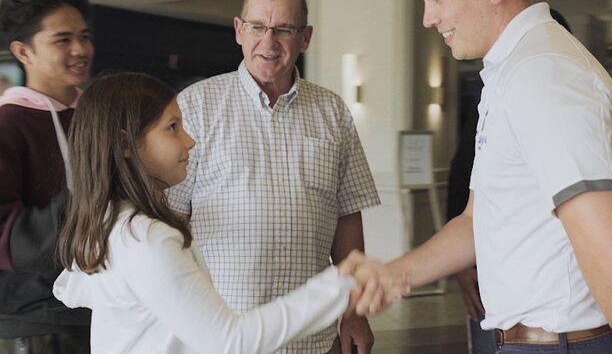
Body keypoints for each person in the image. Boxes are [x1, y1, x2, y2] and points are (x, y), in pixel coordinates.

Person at [354, 0, 612, 353]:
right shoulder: (511, 73)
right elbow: (477, 220)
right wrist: (393, 274)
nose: (428, 18)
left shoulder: (543, 75)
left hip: (562, 345)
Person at [53, 72, 404, 354]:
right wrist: (339, 286)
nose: (189, 141)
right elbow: (230, 342)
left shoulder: (111, 223)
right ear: (127, 145)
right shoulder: (146, 239)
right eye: (172, 128)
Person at [168, 0, 380, 354]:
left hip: (313, 336)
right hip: (224, 334)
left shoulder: (332, 112)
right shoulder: (196, 107)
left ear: (305, 37)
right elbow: (171, 219)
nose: (268, 42)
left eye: (283, 29)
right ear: (239, 30)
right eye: (257, 27)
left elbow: (348, 215)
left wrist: (354, 309)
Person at [447, 9, 574, 354]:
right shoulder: (493, 101)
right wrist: (460, 264)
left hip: (557, 320)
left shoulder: (566, 108)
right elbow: (465, 186)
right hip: (502, 301)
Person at [0, 0, 93, 353]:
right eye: (63, 40)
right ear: (23, 52)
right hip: (37, 323)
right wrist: (98, 192)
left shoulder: (92, 116)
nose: (81, 50)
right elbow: (8, 240)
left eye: (84, 36)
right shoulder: (9, 124)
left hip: (99, 310)